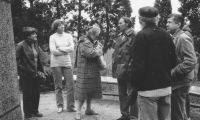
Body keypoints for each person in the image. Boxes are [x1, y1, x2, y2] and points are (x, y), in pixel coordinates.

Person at [129, 6, 177, 120]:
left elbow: (137, 66)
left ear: (141, 20)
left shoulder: (140, 35)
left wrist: (134, 85)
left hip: (147, 90)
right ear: (157, 19)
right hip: (165, 87)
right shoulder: (167, 35)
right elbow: (174, 61)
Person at [166, 13, 197, 120]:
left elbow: (191, 61)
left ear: (178, 24)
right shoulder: (176, 37)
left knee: (177, 114)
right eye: (167, 22)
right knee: (179, 113)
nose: (167, 24)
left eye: (169, 22)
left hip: (180, 82)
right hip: (178, 81)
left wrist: (172, 72)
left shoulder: (183, 38)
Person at [16, 27, 45, 120]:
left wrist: (41, 70)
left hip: (36, 73)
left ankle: (34, 111)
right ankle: (27, 115)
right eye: (33, 34)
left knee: (36, 93)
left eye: (35, 33)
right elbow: (15, 61)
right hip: (26, 75)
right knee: (27, 95)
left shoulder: (35, 44)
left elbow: (40, 58)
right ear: (28, 36)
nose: (36, 35)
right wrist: (24, 70)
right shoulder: (20, 45)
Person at [112, 17, 138, 120]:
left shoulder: (135, 35)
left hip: (129, 69)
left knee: (132, 94)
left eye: (120, 23)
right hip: (119, 68)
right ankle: (124, 115)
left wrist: (131, 67)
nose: (118, 25)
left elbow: (136, 53)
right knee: (122, 93)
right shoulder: (119, 36)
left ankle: (133, 117)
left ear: (127, 23)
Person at [74, 26, 103, 120]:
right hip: (85, 70)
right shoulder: (84, 43)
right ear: (91, 34)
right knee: (83, 92)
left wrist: (97, 48)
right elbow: (91, 54)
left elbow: (93, 52)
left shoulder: (90, 42)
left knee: (90, 90)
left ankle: (88, 109)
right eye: (96, 35)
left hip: (90, 69)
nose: (97, 37)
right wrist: (99, 49)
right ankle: (78, 112)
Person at [49, 19, 76, 113]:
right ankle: (60, 105)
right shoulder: (52, 37)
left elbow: (72, 48)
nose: (62, 26)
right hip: (55, 64)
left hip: (67, 63)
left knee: (70, 85)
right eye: (60, 25)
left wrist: (60, 48)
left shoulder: (68, 36)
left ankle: (71, 106)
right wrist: (65, 51)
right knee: (58, 86)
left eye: (63, 25)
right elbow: (53, 51)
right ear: (56, 27)